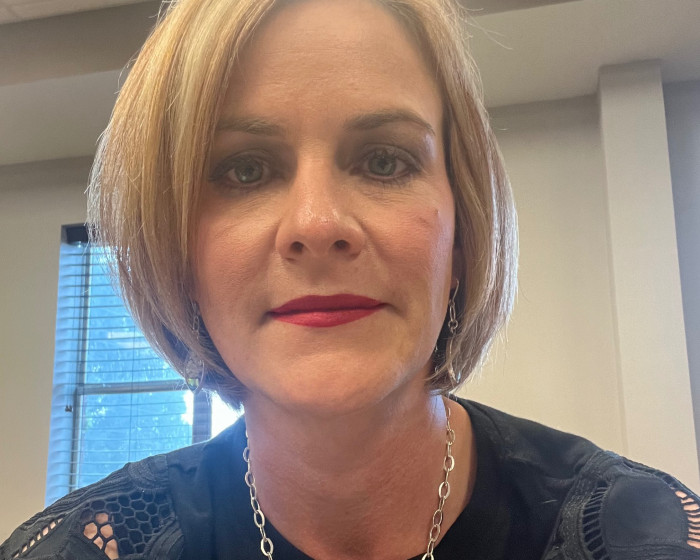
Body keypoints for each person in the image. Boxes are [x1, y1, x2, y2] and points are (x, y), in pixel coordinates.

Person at [2, 0, 699, 558]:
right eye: (245, 169)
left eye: (384, 161)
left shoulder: (642, 535)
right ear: (177, 254)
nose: (317, 223)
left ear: (462, 232)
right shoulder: (82, 547)